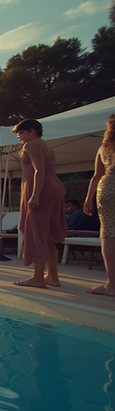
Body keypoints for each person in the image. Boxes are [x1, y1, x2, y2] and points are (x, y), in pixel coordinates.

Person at [12, 118, 65, 289]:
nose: (19, 136)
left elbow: (39, 170)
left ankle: (38, 278)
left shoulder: (32, 145)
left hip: (42, 189)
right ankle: (52, 276)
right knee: (47, 235)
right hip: (53, 186)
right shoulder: (44, 145)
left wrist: (35, 195)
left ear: (32, 131)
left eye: (21, 132)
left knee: (38, 234)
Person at [85, 115, 115, 296]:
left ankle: (111, 284)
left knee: (109, 233)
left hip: (107, 188)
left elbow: (96, 175)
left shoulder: (103, 148)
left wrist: (89, 199)